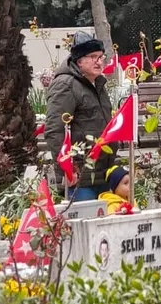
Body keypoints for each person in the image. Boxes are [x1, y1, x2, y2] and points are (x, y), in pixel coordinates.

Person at [45, 32, 115, 200]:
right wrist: (67, 168)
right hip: (80, 177)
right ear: (79, 60)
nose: (99, 62)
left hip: (103, 172)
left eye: (101, 56)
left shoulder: (98, 84)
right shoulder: (65, 85)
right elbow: (55, 130)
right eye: (93, 57)